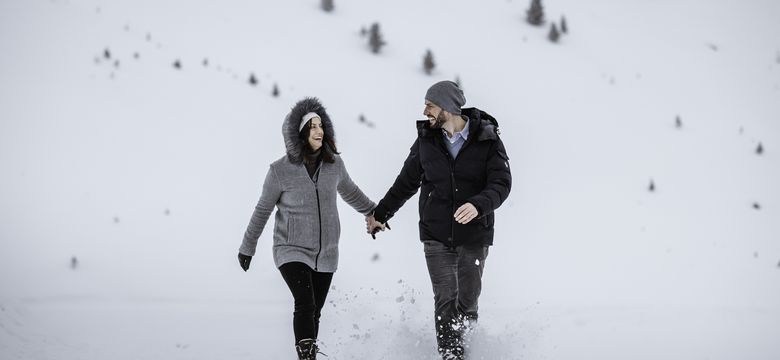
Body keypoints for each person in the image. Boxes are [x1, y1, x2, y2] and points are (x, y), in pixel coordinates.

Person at [366, 81, 512, 359]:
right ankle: (450, 355)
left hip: (474, 234)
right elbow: (406, 182)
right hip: (436, 234)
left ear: (448, 107)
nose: (425, 111)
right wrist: (380, 214)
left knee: (467, 301)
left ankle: (468, 349)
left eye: (430, 106)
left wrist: (478, 205)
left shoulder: (487, 138)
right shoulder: (426, 140)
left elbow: (502, 183)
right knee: (445, 298)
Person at [238, 97, 375, 360]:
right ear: (300, 133)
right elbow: (263, 210)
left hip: (327, 252)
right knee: (305, 302)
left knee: (315, 312)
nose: (318, 130)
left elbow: (351, 192)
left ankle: (307, 355)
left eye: (321, 125)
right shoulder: (280, 171)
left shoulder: (334, 165)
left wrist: (374, 212)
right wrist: (248, 247)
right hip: (291, 249)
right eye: (312, 126)